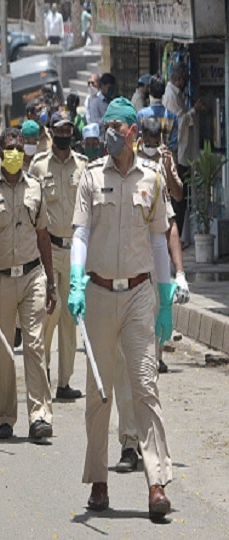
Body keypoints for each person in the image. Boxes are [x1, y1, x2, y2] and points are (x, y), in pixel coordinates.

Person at [68, 97, 175, 519]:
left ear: (133, 131)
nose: (109, 132)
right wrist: (76, 280)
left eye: (117, 126)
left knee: (146, 386)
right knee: (99, 391)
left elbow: (158, 240)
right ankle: (99, 481)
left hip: (137, 294)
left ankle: (156, 482)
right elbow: (80, 233)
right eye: (106, 125)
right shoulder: (91, 177)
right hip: (95, 292)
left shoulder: (152, 178)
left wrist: (164, 297)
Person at [112, 116, 190, 474]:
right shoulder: (101, 176)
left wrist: (175, 280)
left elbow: (165, 234)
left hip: (145, 289)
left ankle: (146, 444)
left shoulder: (155, 175)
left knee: (144, 373)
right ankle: (128, 443)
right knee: (123, 374)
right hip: (111, 289)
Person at [0, 126, 56, 441]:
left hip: (33, 275)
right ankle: (5, 417)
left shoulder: (36, 187)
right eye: (10, 148)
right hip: (0, 280)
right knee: (4, 351)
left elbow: (44, 235)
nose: (15, 153)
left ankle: (40, 416)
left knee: (34, 346)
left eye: (19, 147)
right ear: (0, 153)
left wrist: (51, 282)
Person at [29, 111, 88, 400]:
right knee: (47, 314)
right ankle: (45, 374)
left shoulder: (83, 166)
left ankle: (64, 382)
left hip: (74, 248)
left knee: (70, 318)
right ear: (51, 132)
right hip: (48, 250)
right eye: (59, 130)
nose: (64, 135)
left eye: (68, 130)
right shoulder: (38, 167)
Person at [163, 63, 205, 244]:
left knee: (181, 200)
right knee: (178, 200)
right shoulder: (171, 96)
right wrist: (194, 110)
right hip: (178, 154)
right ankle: (176, 237)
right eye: (184, 78)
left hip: (183, 154)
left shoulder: (176, 94)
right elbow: (179, 122)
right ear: (179, 79)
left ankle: (178, 236)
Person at [137, 75, 178, 155]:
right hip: (164, 161)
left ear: (149, 90)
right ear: (164, 91)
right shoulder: (173, 118)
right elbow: (173, 147)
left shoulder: (141, 115)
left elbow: (137, 141)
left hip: (144, 162)